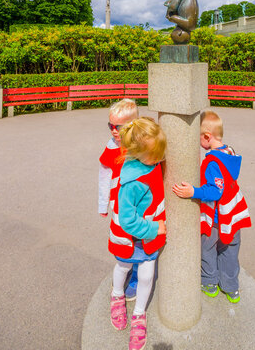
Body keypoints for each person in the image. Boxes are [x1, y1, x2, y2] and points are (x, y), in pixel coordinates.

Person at [172, 110, 251, 304]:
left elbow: (216, 191)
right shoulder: (229, 152)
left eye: (198, 137)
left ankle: (209, 282)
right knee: (230, 250)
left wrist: (193, 192)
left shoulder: (212, 162)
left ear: (207, 136)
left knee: (207, 248)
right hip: (234, 214)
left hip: (218, 218)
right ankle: (231, 287)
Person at [109, 117, 167, 350]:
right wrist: (155, 228)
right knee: (123, 267)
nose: (162, 158)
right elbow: (127, 221)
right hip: (135, 237)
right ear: (141, 154)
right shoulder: (133, 183)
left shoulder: (148, 162)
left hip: (144, 239)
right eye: (158, 154)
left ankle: (139, 314)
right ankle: (116, 296)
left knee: (145, 275)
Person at [98, 99, 139, 300]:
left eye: (118, 127)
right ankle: (127, 268)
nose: (114, 131)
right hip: (119, 205)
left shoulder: (142, 146)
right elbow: (104, 176)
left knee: (140, 241)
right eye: (110, 126)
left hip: (141, 206)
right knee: (123, 239)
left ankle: (137, 277)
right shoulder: (111, 147)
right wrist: (103, 203)